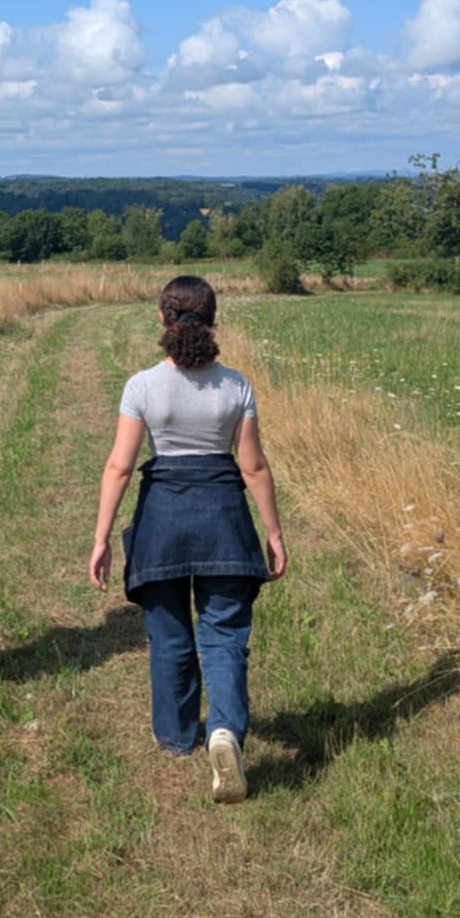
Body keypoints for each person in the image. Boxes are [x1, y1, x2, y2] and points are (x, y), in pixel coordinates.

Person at [87, 275, 287, 803]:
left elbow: (120, 465)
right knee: (223, 634)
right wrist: (273, 531)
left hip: (163, 524)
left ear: (162, 319)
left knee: (170, 634)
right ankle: (224, 730)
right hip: (223, 518)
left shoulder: (143, 386)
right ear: (214, 319)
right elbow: (254, 466)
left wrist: (102, 536)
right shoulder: (236, 386)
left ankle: (178, 737)